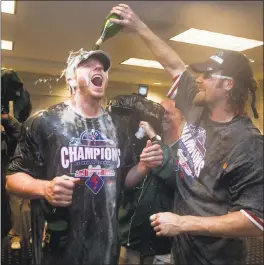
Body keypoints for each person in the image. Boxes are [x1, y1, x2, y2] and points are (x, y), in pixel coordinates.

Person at [110, 4, 263, 265]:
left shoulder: (248, 142)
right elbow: (173, 64)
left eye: (208, 75)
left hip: (216, 259)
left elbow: (255, 221)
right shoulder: (196, 105)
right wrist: (138, 25)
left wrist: (183, 223)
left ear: (228, 84)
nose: (199, 79)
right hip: (181, 253)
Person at [6, 49, 162, 265]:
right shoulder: (45, 122)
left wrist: (143, 166)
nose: (99, 69)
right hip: (58, 248)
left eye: (103, 68)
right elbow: (12, 179)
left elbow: (123, 180)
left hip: (106, 248)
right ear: (71, 78)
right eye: (88, 65)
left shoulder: (118, 128)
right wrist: (45, 188)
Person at [118, 99, 183, 265]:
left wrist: (155, 137)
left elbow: (175, 177)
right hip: (130, 239)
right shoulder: (141, 145)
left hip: (161, 246)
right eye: (161, 113)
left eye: (169, 113)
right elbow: (125, 182)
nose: (163, 117)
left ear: (181, 118)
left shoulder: (186, 151)